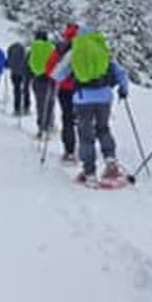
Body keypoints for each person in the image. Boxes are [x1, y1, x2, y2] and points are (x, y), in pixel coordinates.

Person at [52, 24, 129, 184]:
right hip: (105, 97)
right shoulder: (103, 50)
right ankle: (111, 162)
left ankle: (89, 173)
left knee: (86, 135)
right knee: (103, 128)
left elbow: (57, 75)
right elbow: (120, 73)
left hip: (83, 98)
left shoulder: (75, 51)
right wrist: (123, 89)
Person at [45, 23, 79, 162]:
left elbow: (50, 68)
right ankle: (88, 148)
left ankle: (69, 151)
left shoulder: (61, 48)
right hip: (85, 88)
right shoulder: (87, 46)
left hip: (65, 89)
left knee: (67, 119)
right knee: (85, 118)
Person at [27, 30, 56, 139]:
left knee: (40, 104)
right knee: (50, 102)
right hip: (51, 79)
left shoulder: (33, 49)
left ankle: (41, 128)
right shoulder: (52, 48)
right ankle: (49, 124)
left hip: (38, 79)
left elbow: (28, 64)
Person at [6, 41, 31, 115]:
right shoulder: (25, 51)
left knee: (17, 90)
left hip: (15, 73)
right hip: (25, 73)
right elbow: (28, 61)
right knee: (26, 89)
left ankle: (17, 108)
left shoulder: (11, 50)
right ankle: (26, 107)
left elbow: (8, 62)